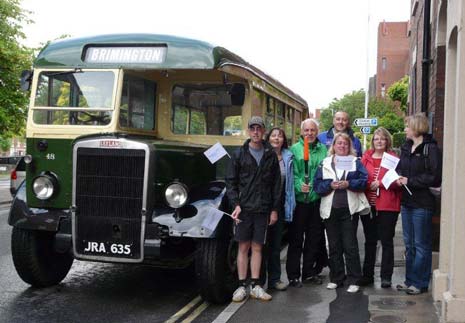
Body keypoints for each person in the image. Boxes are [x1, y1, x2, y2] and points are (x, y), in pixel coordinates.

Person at [226, 116, 281, 302]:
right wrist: (236, 204)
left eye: (259, 128)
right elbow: (231, 182)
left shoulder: (270, 154)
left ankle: (256, 285)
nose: (256, 132)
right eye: (253, 128)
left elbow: (276, 184)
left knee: (258, 247)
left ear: (263, 131)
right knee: (243, 246)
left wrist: (274, 209)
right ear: (248, 131)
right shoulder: (239, 154)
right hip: (244, 208)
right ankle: (242, 286)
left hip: (263, 208)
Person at [313, 132, 370, 293]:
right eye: (339, 143)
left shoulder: (355, 162)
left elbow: (364, 181)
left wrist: (348, 184)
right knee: (334, 245)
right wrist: (330, 185)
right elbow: (317, 186)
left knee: (350, 245)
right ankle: (336, 278)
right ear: (334, 146)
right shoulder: (325, 163)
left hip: (349, 210)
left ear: (349, 146)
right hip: (330, 210)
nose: (342, 146)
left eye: (345, 143)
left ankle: (354, 279)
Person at [396, 113, 442, 295]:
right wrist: (398, 176)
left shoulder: (430, 149)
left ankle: (420, 283)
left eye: (407, 126)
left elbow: (434, 176)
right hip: (407, 202)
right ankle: (410, 281)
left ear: (416, 128)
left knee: (421, 244)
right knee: (409, 245)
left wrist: (410, 181)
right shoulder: (406, 148)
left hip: (423, 203)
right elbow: (400, 168)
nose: (405, 129)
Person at [286, 118, 328, 287]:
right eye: (306, 131)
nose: (309, 133)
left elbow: (326, 172)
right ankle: (293, 275)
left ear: (317, 132)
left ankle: (309, 273)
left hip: (316, 200)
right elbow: (293, 175)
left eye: (312, 130)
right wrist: (298, 186)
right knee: (296, 240)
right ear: (301, 132)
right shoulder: (294, 150)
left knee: (313, 239)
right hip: (299, 202)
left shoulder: (323, 150)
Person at [359, 127, 401, 288]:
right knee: (370, 241)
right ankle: (367, 275)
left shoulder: (393, 159)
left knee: (386, 241)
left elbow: (398, 182)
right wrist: (369, 184)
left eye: (382, 139)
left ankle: (386, 277)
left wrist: (382, 184)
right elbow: (360, 177)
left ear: (387, 141)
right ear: (372, 141)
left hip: (388, 206)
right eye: (376, 139)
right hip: (369, 205)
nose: (379, 141)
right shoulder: (365, 158)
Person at [264, 127, 296, 291]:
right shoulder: (262, 154)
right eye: (274, 135)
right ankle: (258, 281)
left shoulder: (288, 156)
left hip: (281, 204)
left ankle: (274, 279)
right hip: (262, 205)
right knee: (260, 244)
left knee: (275, 245)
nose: (277, 138)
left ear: (284, 139)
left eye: (280, 136)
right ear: (268, 138)